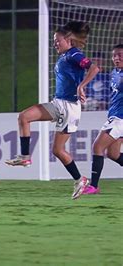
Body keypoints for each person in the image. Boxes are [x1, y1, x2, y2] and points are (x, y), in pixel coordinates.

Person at [5, 21, 100, 199]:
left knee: (58, 150)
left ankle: (80, 179)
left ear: (68, 39)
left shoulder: (74, 54)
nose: (55, 43)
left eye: (57, 40)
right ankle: (25, 156)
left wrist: (81, 86)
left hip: (70, 107)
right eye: (54, 40)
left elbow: (94, 67)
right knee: (24, 117)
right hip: (58, 104)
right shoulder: (64, 56)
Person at [83, 44, 123, 195]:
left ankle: (93, 186)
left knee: (97, 147)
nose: (116, 58)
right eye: (114, 55)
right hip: (115, 116)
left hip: (120, 119)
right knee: (113, 154)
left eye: (120, 55)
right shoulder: (114, 72)